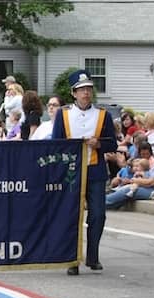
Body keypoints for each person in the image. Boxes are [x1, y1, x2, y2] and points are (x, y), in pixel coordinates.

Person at [52, 69, 117, 275]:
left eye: (89, 89)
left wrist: (99, 144)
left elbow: (112, 143)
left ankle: (93, 255)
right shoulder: (63, 115)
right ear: (74, 93)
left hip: (95, 170)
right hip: (72, 172)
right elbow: (56, 144)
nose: (86, 93)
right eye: (81, 90)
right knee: (72, 216)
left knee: (98, 215)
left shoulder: (102, 115)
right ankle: (72, 258)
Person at [106, 144, 154, 208]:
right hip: (149, 188)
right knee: (125, 190)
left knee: (128, 189)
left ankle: (103, 202)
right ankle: (106, 203)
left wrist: (137, 181)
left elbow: (151, 182)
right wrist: (142, 175)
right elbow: (149, 176)